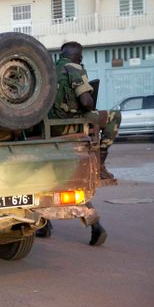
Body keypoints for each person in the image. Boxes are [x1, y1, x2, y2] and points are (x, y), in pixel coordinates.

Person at [40, 41, 120, 245]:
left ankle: (45, 225)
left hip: (46, 127)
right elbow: (86, 103)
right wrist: (89, 99)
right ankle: (101, 164)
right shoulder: (75, 68)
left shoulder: (47, 70)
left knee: (55, 182)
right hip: (70, 125)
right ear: (80, 57)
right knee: (114, 116)